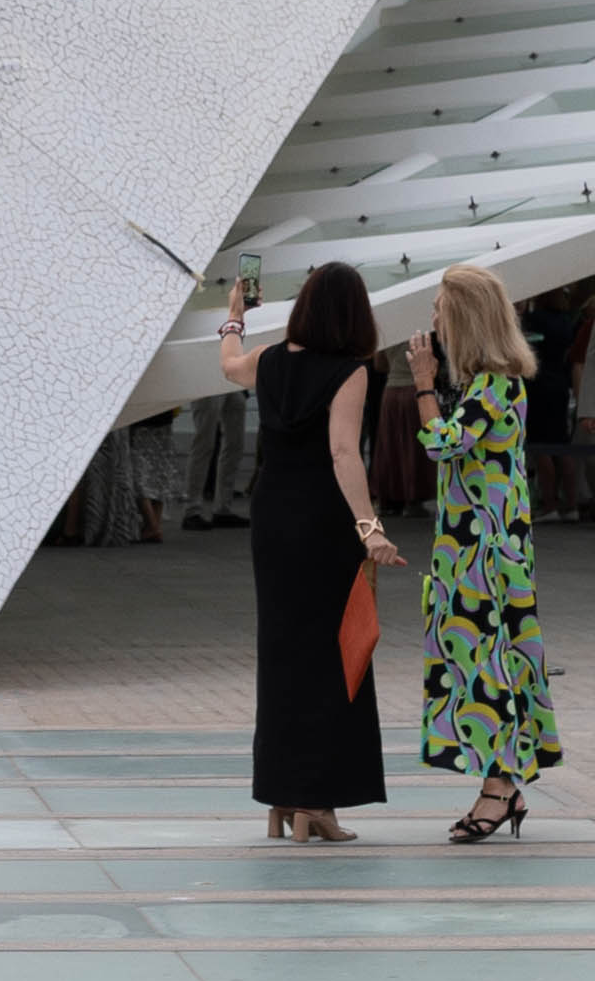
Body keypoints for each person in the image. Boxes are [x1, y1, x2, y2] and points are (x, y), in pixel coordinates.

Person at [222, 264, 398, 840]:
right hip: (323, 520)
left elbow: (229, 368)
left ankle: (281, 797)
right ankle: (315, 803)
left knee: (281, 653)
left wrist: (234, 316)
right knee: (330, 657)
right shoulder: (350, 371)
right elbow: (344, 454)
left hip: (272, 515)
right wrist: (369, 526)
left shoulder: (269, 360)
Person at [410, 265, 557, 839]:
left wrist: (423, 383)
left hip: (484, 557)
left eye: (441, 308)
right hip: (472, 553)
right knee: (483, 668)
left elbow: (443, 445)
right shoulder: (485, 384)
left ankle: (499, 788)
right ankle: (502, 785)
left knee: (486, 668)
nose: (434, 321)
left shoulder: (494, 383)